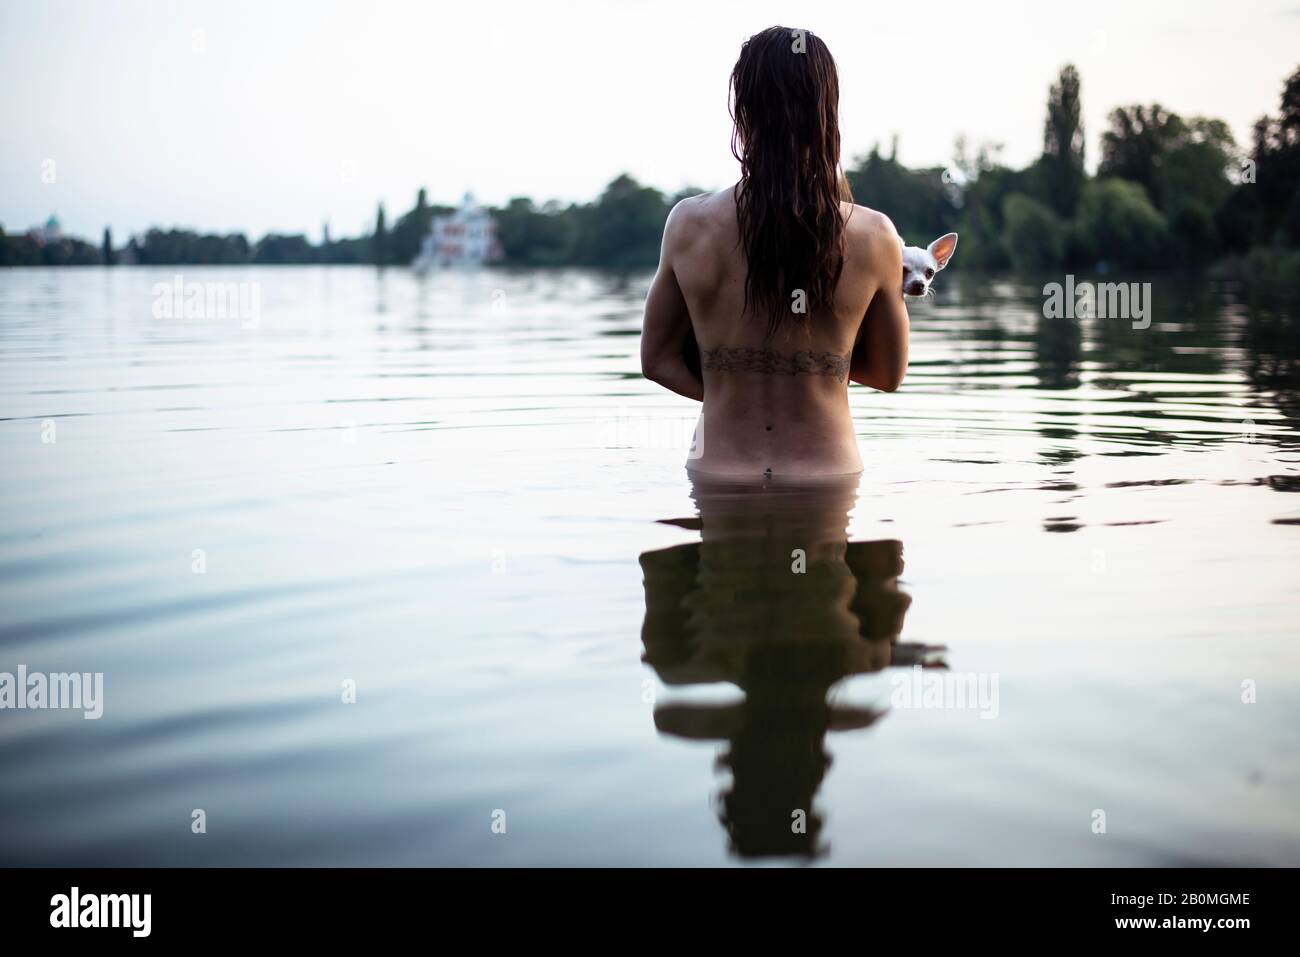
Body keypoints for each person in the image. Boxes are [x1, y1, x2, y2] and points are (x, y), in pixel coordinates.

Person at [641, 25, 909, 479]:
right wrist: (815, 372)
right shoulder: (875, 235)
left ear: (743, 111)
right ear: (828, 112)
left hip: (719, 476)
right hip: (826, 479)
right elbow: (888, 374)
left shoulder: (688, 224)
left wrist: (738, 388)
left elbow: (657, 361)